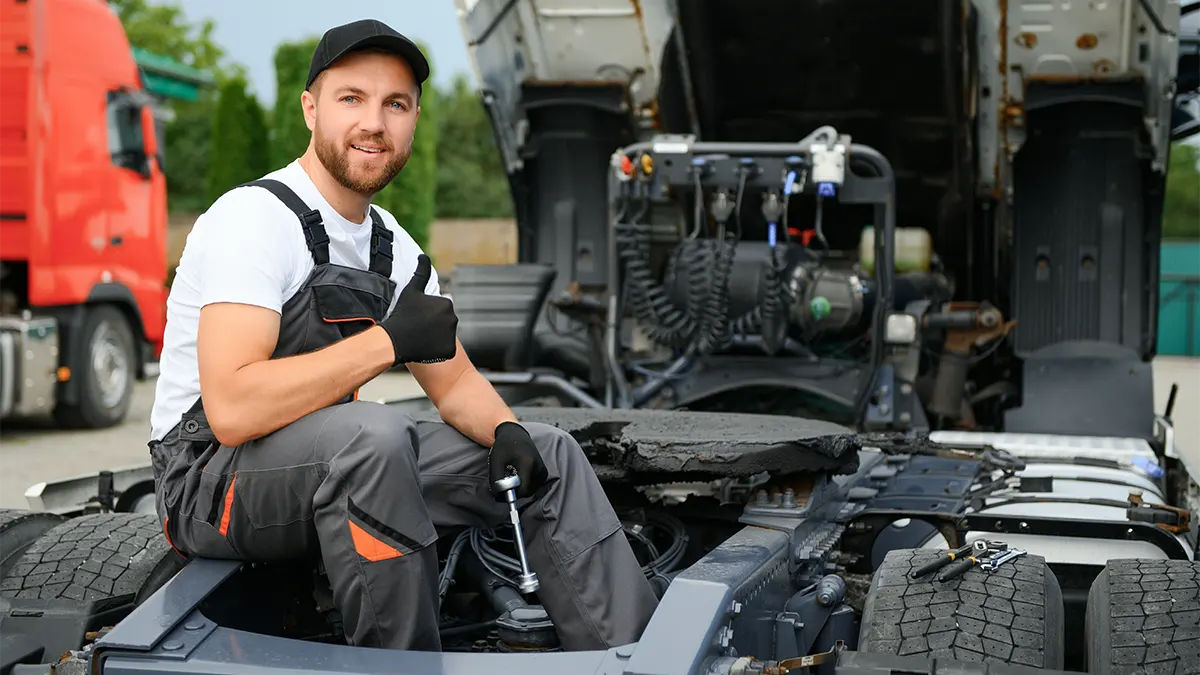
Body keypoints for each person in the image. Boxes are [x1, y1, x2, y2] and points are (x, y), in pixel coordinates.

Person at [147, 18, 659, 652]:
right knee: (373, 435)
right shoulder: (253, 221)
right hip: (208, 483)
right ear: (311, 109)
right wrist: (388, 342)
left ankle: (635, 656)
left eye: (396, 104)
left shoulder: (394, 249)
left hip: (331, 464)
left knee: (549, 454)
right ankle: (404, 666)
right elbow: (232, 408)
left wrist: (506, 433)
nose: (375, 123)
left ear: (414, 117)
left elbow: (456, 382)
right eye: (352, 99)